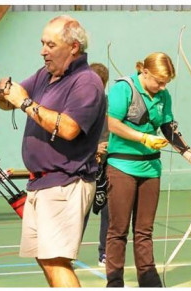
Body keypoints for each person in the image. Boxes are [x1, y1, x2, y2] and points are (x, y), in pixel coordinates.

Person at [0, 15, 106, 287]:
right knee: (46, 258)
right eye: (42, 43)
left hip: (65, 182)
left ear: (73, 48)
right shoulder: (46, 75)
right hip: (42, 183)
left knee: (55, 259)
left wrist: (24, 103)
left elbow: (68, 128)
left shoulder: (87, 82)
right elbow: (14, 99)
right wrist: (2, 91)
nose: (43, 50)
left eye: (50, 45)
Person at [104, 52, 191, 287]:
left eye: (166, 83)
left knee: (144, 231)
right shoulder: (124, 88)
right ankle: (114, 281)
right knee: (118, 230)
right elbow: (112, 123)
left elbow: (168, 127)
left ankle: (148, 279)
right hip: (121, 166)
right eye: (159, 81)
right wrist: (142, 137)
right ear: (145, 72)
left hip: (150, 168)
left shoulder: (163, 95)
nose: (163, 87)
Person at [88, 63, 110, 267]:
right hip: (86, 163)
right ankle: (68, 251)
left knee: (109, 210)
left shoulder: (110, 104)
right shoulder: (81, 103)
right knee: (81, 209)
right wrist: (94, 148)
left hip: (107, 164)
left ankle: (105, 252)